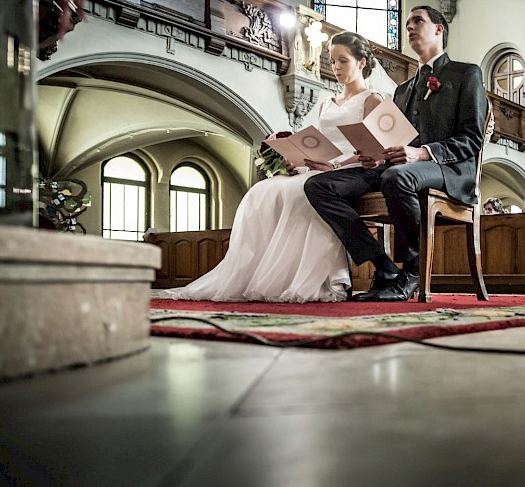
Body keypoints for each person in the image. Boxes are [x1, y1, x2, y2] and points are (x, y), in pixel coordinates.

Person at [161, 32, 391, 302]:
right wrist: (299, 161)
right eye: (332, 61)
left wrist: (333, 164)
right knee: (262, 192)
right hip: (320, 168)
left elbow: (377, 150)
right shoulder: (325, 104)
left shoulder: (373, 100)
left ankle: (311, 278)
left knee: (301, 193)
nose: (336, 67)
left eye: (343, 61)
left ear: (362, 62)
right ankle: (264, 275)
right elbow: (320, 143)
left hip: (352, 169)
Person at [304, 6, 487, 302]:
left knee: (396, 177)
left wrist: (422, 153)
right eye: (407, 23)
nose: (410, 27)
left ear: (439, 29)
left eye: (418, 21)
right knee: (319, 186)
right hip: (398, 168)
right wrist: (375, 156)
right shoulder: (403, 90)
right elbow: (391, 140)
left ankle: (412, 271)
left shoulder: (465, 74)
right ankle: (383, 265)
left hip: (448, 168)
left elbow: (472, 139)